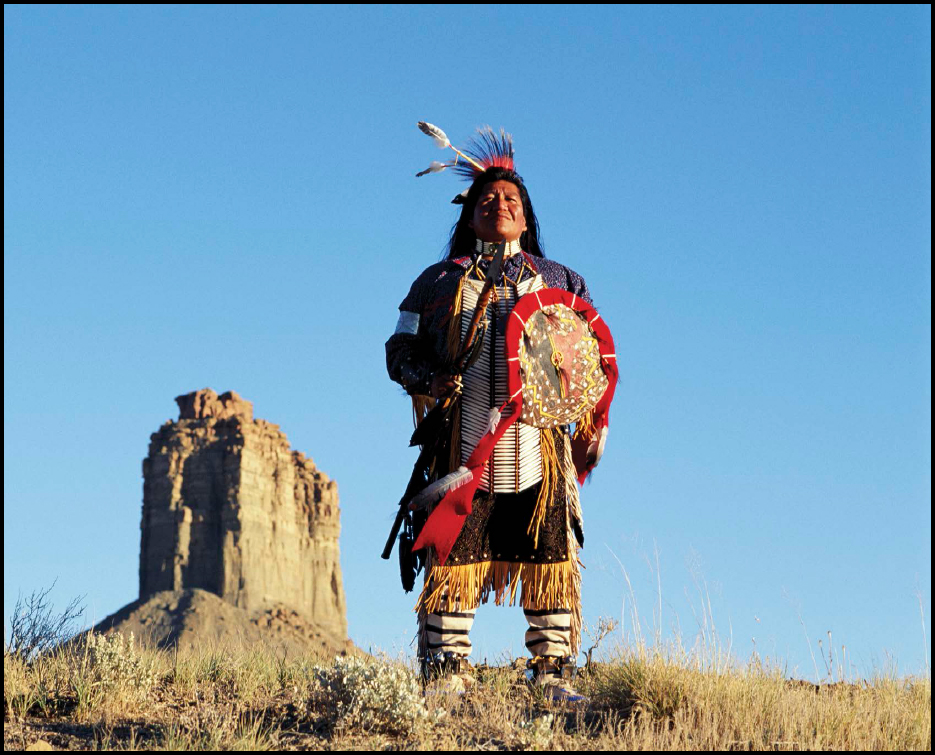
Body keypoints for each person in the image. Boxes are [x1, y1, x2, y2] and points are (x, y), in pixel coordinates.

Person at [386, 128, 607, 701]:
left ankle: (553, 677)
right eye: (488, 199)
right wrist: (428, 379)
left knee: (549, 553)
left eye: (511, 199)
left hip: (539, 442)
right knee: (453, 549)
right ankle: (445, 674)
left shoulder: (563, 281)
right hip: (461, 443)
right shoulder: (435, 283)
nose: (500, 205)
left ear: (526, 218)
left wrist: (590, 420)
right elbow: (398, 349)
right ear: (468, 217)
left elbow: (593, 357)